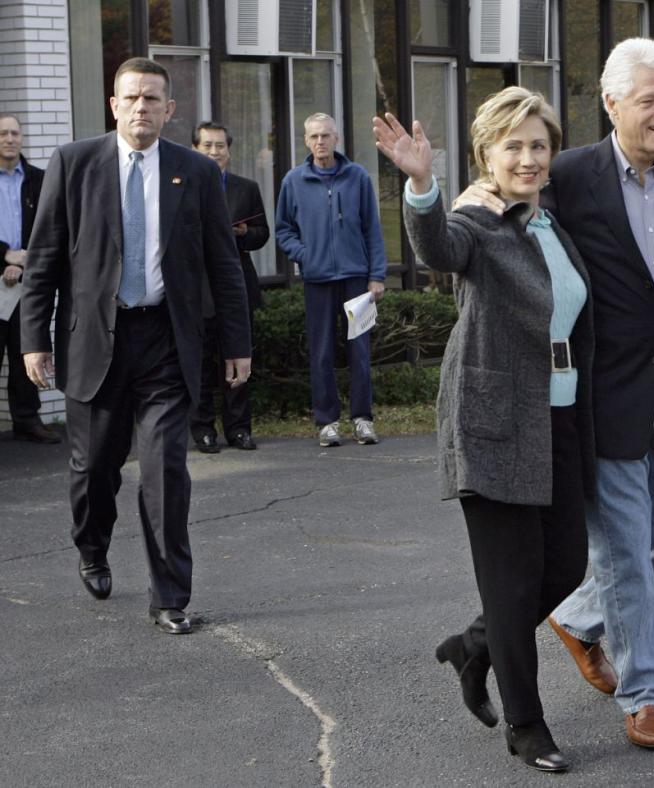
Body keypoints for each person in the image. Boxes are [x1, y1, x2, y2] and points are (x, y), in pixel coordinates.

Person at [454, 38, 654, 751]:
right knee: (626, 552)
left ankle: (575, 617)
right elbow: (503, 207)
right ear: (611, 104)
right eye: (649, 101)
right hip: (605, 391)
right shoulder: (569, 176)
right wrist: (468, 197)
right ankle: (646, 695)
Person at [373, 87, 595, 773]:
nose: (528, 158)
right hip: (493, 418)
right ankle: (526, 726)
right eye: (513, 146)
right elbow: (438, 246)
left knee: (566, 565)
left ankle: (473, 647)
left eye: (538, 145)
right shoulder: (478, 221)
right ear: (486, 156)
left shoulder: (549, 219)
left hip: (557, 417)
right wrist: (420, 184)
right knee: (511, 581)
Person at [20, 58, 251, 634]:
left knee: (166, 470)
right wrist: (34, 340)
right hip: (96, 341)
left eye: (153, 99)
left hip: (166, 342)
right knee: (95, 468)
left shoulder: (195, 172)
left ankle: (169, 597)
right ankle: (92, 547)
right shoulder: (74, 164)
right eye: (132, 98)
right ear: (114, 104)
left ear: (169, 110)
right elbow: (44, 259)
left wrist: (237, 342)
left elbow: (224, 264)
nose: (142, 107)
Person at [276, 113, 385, 447]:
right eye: (314, 137)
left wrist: (377, 275)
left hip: (356, 280)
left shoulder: (358, 178)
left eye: (325, 135)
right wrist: (305, 255)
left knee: (360, 352)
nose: (320, 142)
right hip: (318, 280)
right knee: (321, 352)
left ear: (337, 138)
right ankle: (327, 422)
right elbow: (283, 229)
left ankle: (363, 419)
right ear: (306, 142)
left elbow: (372, 228)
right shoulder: (294, 181)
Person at [190, 121, 269, 453]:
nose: (213, 151)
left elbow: (262, 232)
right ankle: (203, 429)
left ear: (229, 151)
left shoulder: (245, 188)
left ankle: (239, 429)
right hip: (196, 288)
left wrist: (243, 235)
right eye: (207, 145)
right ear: (195, 149)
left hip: (236, 286)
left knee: (238, 360)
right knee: (200, 364)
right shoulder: (182, 186)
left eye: (220, 145)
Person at [0, 113, 60, 444]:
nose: (9, 139)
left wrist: (21, 264)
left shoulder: (40, 179)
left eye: (14, 133)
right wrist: (2, 257)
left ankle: (27, 419)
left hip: (27, 281)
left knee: (26, 350)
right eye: (3, 134)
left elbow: (48, 229)